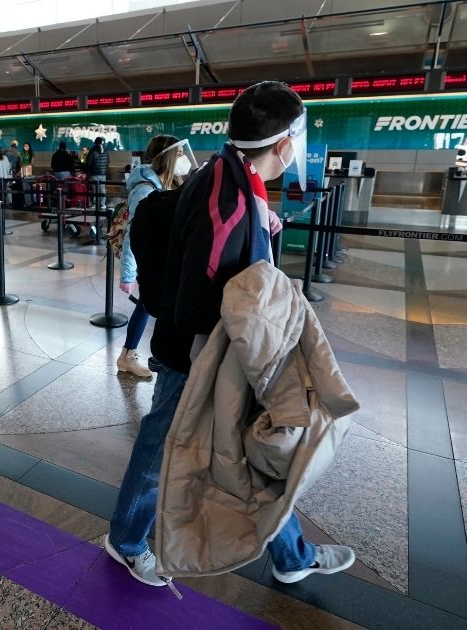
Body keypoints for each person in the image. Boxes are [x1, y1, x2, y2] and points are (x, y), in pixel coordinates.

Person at [104, 81, 355, 588]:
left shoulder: (227, 174)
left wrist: (259, 221)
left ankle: (291, 555)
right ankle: (126, 543)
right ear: (284, 145)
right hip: (201, 357)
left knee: (251, 451)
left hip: (221, 354)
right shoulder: (232, 201)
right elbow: (196, 301)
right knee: (163, 449)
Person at [115, 135, 184, 378]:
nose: (184, 157)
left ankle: (130, 355)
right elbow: (132, 233)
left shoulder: (163, 183)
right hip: (152, 260)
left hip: (160, 257)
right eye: (179, 153)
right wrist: (128, 274)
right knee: (150, 304)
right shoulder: (145, 189)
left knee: (148, 305)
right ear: (168, 157)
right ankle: (131, 355)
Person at [87, 137, 110, 209]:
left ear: (95, 142)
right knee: (102, 188)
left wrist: (88, 170)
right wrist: (105, 169)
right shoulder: (105, 150)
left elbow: (89, 162)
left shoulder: (92, 150)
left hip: (94, 173)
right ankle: (103, 204)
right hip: (103, 173)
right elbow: (108, 161)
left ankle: (95, 203)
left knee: (94, 189)